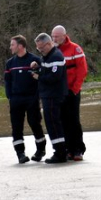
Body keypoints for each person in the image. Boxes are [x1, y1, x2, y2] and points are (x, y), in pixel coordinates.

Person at [4, 35, 46, 163]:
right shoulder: (10, 63)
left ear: (20, 46)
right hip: (16, 99)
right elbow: (7, 82)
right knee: (16, 127)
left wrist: (38, 68)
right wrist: (10, 97)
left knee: (34, 123)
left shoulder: (35, 60)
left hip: (32, 98)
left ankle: (40, 150)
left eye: (12, 45)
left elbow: (43, 76)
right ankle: (20, 153)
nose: (10, 47)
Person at [51, 25, 87, 161]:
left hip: (72, 91)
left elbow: (82, 70)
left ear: (64, 35)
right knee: (61, 121)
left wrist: (75, 89)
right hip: (58, 92)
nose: (54, 39)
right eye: (53, 36)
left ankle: (78, 149)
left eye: (57, 36)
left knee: (74, 121)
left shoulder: (75, 49)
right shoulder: (52, 51)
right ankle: (66, 149)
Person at [31, 33, 68, 164]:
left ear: (48, 44)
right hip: (48, 95)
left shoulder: (56, 56)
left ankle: (60, 153)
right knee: (52, 123)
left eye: (41, 48)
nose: (40, 51)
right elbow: (46, 68)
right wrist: (38, 65)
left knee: (53, 123)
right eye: (38, 49)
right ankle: (60, 151)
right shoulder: (47, 56)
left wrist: (38, 77)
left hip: (53, 95)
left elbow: (54, 77)